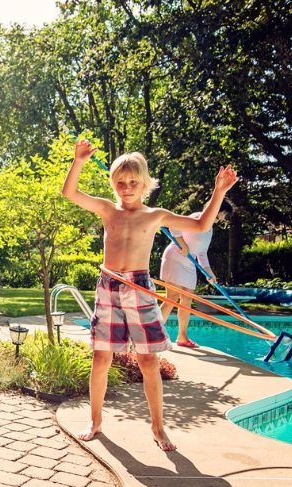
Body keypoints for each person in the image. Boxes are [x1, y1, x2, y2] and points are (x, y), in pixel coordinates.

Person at [62, 139, 237, 451]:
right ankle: (95, 421)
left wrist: (219, 192)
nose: (126, 188)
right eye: (120, 182)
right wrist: (79, 161)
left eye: (133, 182)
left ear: (144, 183)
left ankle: (158, 428)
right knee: (101, 358)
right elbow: (70, 193)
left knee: (148, 361)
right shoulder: (107, 209)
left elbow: (201, 224)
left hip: (140, 288)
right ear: (113, 184)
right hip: (109, 285)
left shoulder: (154, 215)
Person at [160, 203, 233, 348]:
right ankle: (154, 334)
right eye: (224, 214)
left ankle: (182, 337)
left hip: (189, 263)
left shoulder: (209, 229)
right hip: (175, 258)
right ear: (218, 209)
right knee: (172, 298)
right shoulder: (196, 217)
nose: (224, 218)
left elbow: (202, 253)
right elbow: (174, 227)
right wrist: (182, 244)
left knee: (187, 300)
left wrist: (208, 271)